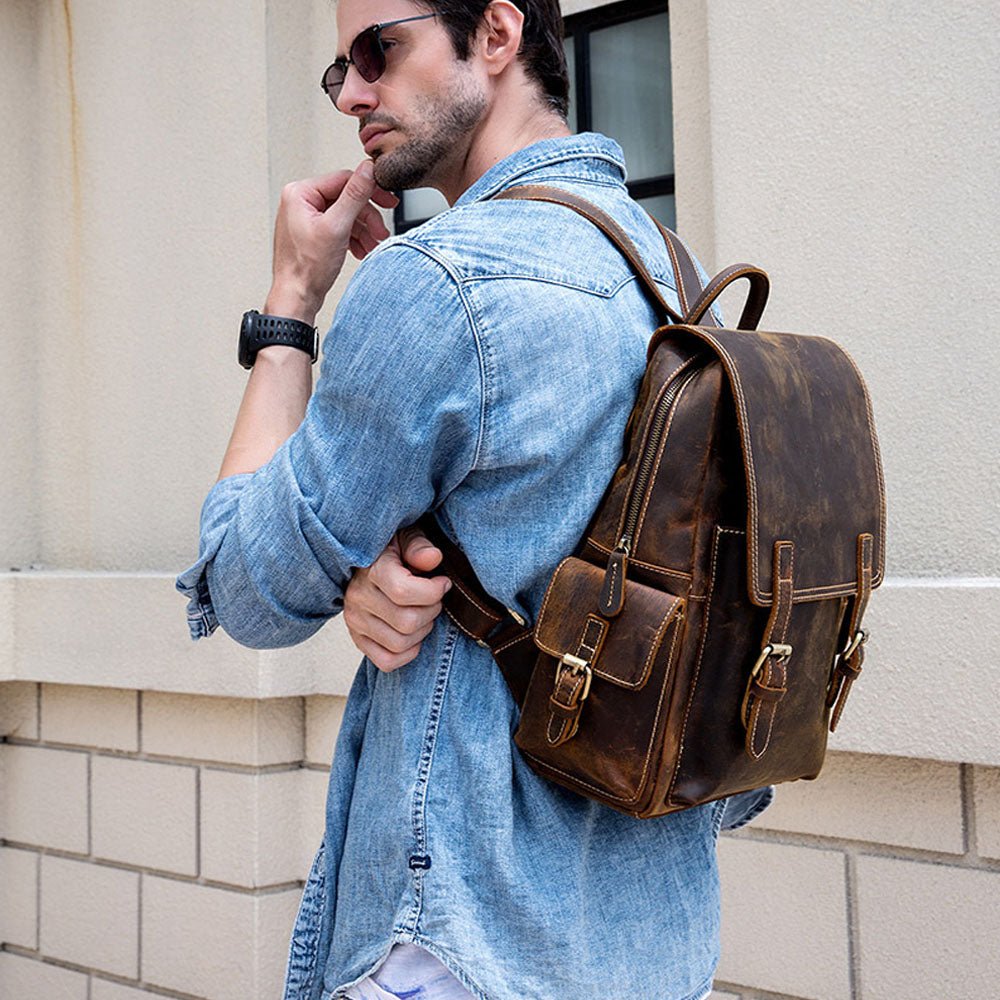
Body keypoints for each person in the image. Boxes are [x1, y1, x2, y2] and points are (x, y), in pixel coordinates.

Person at [176, 1, 771, 998]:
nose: (353, 94)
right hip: (654, 950)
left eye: (380, 49)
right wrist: (393, 565)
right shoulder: (680, 279)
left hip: (462, 948)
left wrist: (289, 306)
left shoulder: (438, 280)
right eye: (340, 70)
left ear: (496, 35)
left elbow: (247, 588)